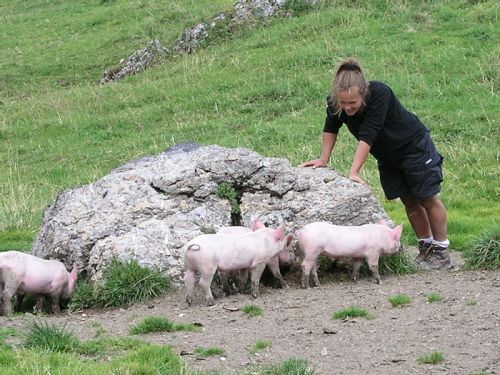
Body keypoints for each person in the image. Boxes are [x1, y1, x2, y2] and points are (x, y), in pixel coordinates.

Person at [301, 58, 451, 269]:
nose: (347, 107)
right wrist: (323, 159)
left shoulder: (380, 93)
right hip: (388, 156)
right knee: (408, 200)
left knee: (427, 197)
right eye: (343, 103)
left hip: (414, 147)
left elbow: (369, 133)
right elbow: (330, 128)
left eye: (352, 103)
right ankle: (426, 248)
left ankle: (442, 251)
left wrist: (354, 171)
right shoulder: (335, 102)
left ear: (363, 94)